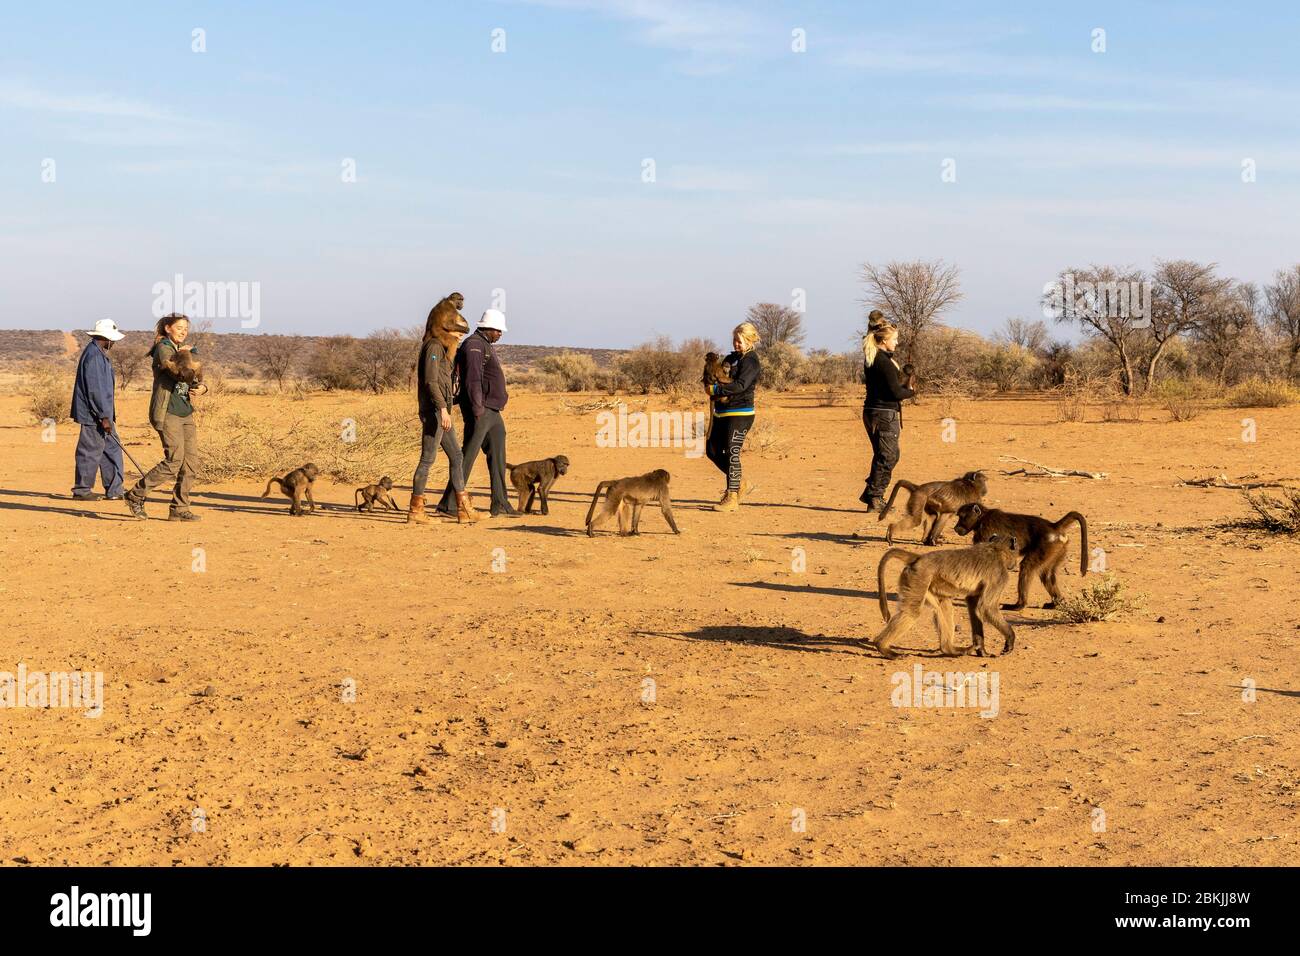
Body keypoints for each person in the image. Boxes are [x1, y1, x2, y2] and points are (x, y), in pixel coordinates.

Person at [435, 309, 516, 518]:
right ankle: (449, 504)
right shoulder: (475, 345)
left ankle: (500, 503)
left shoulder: (484, 344)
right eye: (498, 330)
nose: (500, 334)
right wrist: (478, 410)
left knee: (498, 453)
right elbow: (472, 380)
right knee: (468, 455)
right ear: (488, 328)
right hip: (481, 409)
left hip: (492, 410)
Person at [124, 313, 203, 521]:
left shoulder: (180, 350)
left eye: (186, 329)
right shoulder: (164, 349)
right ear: (168, 328)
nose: (183, 332)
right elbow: (180, 373)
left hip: (185, 411)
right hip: (168, 412)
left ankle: (179, 508)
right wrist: (188, 357)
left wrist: (202, 387)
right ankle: (135, 495)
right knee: (174, 460)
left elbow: (193, 378)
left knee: (190, 463)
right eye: (179, 328)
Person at [408, 300, 480, 525]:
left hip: (441, 412)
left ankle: (463, 508)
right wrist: (442, 409)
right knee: (427, 459)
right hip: (435, 412)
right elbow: (430, 381)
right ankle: (416, 510)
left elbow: (444, 376)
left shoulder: (443, 349)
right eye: (457, 332)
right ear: (445, 329)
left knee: (457, 456)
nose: (460, 336)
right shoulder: (433, 347)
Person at [859, 310, 915, 513]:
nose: (897, 342)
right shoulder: (883, 361)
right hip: (884, 415)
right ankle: (875, 498)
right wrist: (910, 391)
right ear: (883, 340)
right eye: (895, 339)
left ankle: (871, 493)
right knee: (889, 456)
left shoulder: (872, 357)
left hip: (872, 412)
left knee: (884, 455)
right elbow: (895, 392)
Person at [704, 321, 762, 513]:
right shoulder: (732, 357)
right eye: (735, 340)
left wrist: (716, 389)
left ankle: (732, 497)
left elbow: (740, 385)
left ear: (749, 340)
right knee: (712, 450)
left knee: (731, 451)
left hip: (741, 412)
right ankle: (740, 482)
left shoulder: (751, 360)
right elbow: (716, 372)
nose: (736, 344)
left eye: (740, 341)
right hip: (721, 412)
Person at [70, 319, 127, 501]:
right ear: (106, 338)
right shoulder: (94, 356)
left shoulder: (98, 353)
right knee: (90, 450)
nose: (114, 343)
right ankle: (82, 490)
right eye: (113, 339)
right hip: (94, 415)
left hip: (102, 414)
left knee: (111, 449)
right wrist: (103, 416)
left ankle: (114, 490)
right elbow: (96, 390)